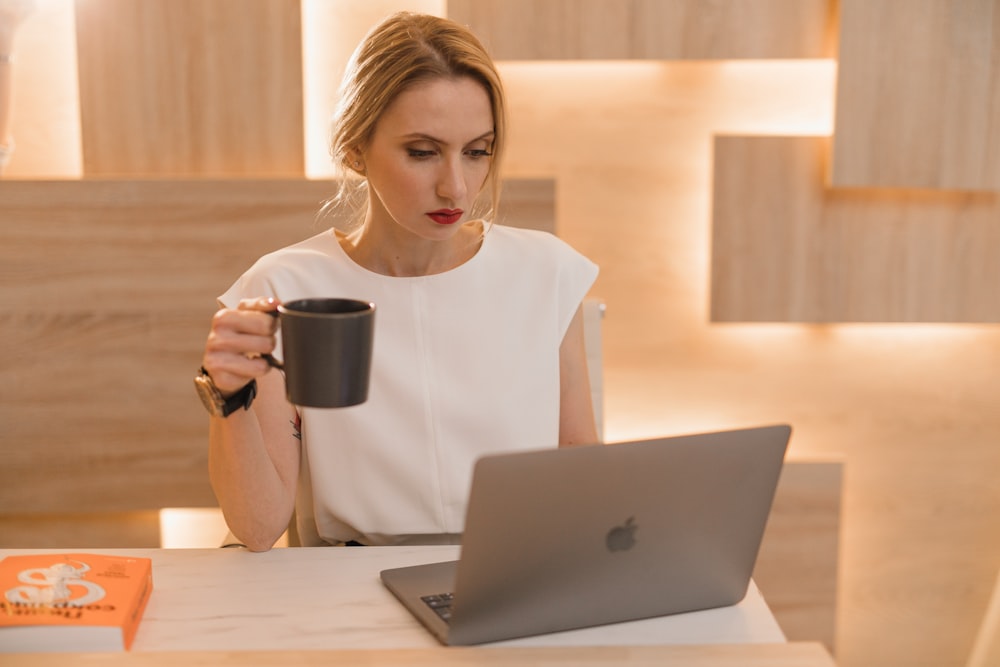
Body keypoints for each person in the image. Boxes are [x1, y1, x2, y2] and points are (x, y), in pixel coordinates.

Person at [197, 11, 599, 551]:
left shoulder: (545, 272)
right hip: (353, 587)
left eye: (477, 152)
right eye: (423, 152)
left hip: (515, 572)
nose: (456, 187)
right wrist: (230, 398)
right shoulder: (288, 288)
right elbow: (258, 526)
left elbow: (581, 476)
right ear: (355, 148)